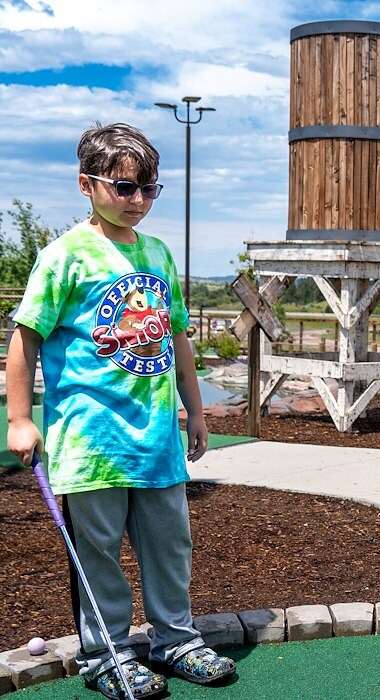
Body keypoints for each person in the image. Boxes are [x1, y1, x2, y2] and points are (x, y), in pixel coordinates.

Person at [5, 123, 236, 699]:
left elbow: (178, 338)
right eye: (124, 187)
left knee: (168, 543)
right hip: (91, 436)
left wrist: (196, 410)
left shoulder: (156, 252)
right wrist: (19, 418)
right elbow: (26, 336)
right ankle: (105, 650)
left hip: (155, 436)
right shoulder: (64, 256)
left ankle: (175, 639)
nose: (138, 200)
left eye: (149, 189)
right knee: (99, 550)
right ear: (87, 184)